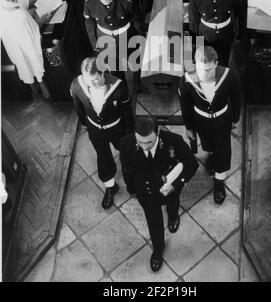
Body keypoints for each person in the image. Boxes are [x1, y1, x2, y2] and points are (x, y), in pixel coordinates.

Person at [120, 116, 198, 272]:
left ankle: (173, 216)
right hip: (146, 191)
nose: (144, 146)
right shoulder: (126, 143)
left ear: (157, 133)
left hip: (169, 187)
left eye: (149, 142)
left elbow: (192, 163)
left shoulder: (173, 141)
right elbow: (127, 168)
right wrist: (132, 189)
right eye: (140, 141)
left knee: (172, 204)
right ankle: (158, 249)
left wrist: (176, 185)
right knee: (153, 221)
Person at [178, 46, 241, 204]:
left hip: (222, 120)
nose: (204, 74)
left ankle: (219, 182)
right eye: (200, 69)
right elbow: (185, 106)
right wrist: (189, 128)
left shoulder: (228, 75)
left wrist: (235, 119)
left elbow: (236, 98)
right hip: (201, 120)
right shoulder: (186, 80)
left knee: (223, 150)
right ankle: (212, 157)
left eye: (209, 70)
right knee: (208, 145)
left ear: (216, 63)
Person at [70, 57, 134, 209]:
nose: (91, 84)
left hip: (117, 127)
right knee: (103, 156)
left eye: (96, 79)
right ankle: (111, 186)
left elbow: (127, 112)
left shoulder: (119, 86)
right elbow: (78, 109)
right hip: (95, 129)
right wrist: (89, 125)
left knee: (127, 153)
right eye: (88, 80)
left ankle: (132, 182)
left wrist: (130, 132)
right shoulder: (77, 85)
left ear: (103, 72)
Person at [0, 0, 51, 99]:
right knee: (35, 66)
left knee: (24, 67)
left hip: (12, 44)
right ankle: (45, 89)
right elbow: (33, 32)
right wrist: (43, 20)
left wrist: (30, 11)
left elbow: (13, 15)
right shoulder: (21, 15)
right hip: (27, 44)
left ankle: (34, 90)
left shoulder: (2, 2)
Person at [83, 0, 144, 76]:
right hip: (105, 40)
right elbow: (90, 24)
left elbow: (138, 21)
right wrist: (95, 44)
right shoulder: (89, 3)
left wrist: (140, 39)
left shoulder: (126, 1)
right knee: (114, 70)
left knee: (134, 66)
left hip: (127, 37)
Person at [188, 0, 243, 67]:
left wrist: (239, 34)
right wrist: (196, 43)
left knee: (223, 62)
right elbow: (193, 23)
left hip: (225, 35)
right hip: (204, 36)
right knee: (204, 64)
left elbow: (240, 14)